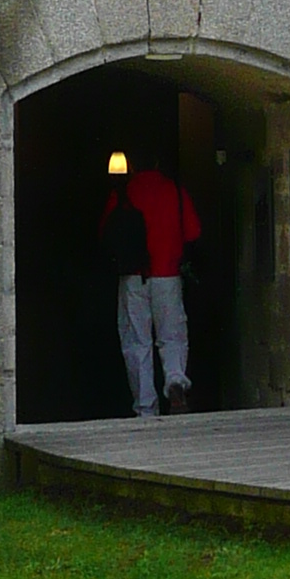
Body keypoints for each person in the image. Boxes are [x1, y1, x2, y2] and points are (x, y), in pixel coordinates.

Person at [100, 147, 201, 416]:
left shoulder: (123, 193)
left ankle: (145, 406)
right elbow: (192, 232)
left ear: (132, 165)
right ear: (157, 162)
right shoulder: (174, 191)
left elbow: (105, 234)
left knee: (136, 341)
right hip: (168, 274)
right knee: (173, 335)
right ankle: (176, 380)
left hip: (133, 276)